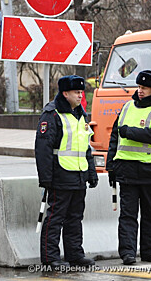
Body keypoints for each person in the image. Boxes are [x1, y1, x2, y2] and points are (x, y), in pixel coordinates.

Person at [106, 70, 151, 265]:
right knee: (128, 215)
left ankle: (149, 251)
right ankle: (127, 253)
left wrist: (129, 132)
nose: (140, 91)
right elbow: (114, 138)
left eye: (144, 88)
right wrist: (111, 166)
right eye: (139, 87)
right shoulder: (127, 107)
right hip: (127, 170)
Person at [35, 75, 98, 269]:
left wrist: (91, 172)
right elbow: (43, 148)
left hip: (78, 174)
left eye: (82, 92)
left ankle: (75, 255)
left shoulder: (80, 114)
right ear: (65, 93)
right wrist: (45, 177)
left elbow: (85, 146)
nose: (81, 96)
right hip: (60, 173)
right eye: (77, 92)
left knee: (75, 218)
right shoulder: (52, 114)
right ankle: (50, 257)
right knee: (55, 218)